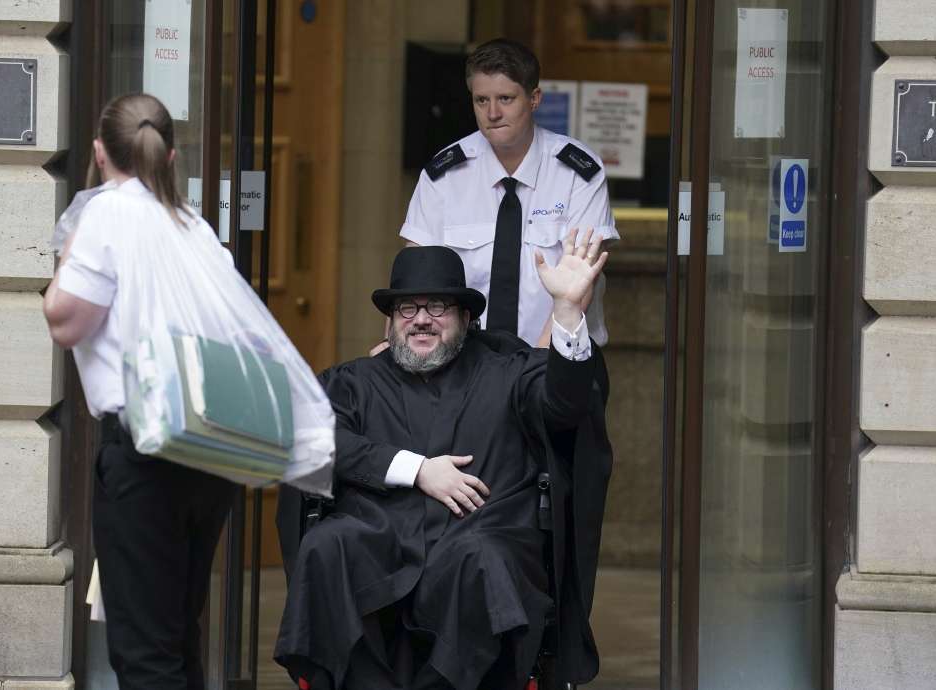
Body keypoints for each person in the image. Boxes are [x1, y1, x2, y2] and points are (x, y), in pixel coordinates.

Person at [275, 237, 612, 690]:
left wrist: (568, 313)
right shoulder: (354, 382)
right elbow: (311, 438)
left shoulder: (509, 370)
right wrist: (415, 469)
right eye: (406, 309)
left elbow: (566, 405)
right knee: (327, 545)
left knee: (485, 561)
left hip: (478, 533)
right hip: (379, 533)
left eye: (437, 307)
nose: (420, 320)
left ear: (467, 318)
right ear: (391, 321)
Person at [42, 93, 235, 690]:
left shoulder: (105, 215)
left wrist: (70, 247)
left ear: (100, 153)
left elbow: (65, 320)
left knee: (143, 649)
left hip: (146, 448)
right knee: (178, 633)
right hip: (210, 444)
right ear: (170, 155)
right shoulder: (195, 227)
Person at [399, 38, 618, 349]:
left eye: (505, 98)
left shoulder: (577, 172)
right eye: (481, 100)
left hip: (559, 358)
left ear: (534, 98)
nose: (492, 113)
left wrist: (536, 365)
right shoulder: (444, 175)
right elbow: (414, 278)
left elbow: (581, 281)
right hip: (463, 363)